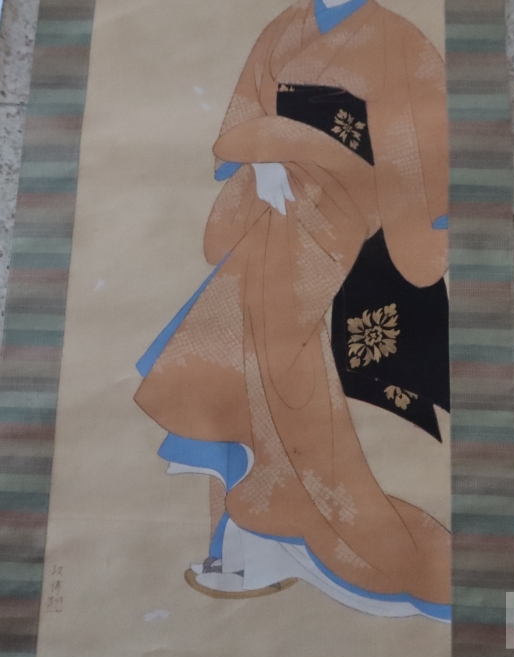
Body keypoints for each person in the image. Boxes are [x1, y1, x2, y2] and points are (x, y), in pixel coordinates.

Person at [134, 0, 451, 619]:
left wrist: (302, 152)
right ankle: (240, 547)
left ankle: (280, 540)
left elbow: (421, 140)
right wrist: (264, 158)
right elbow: (246, 108)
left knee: (272, 368)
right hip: (269, 200)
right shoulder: (286, 25)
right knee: (231, 361)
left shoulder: (395, 37)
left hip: (341, 206)